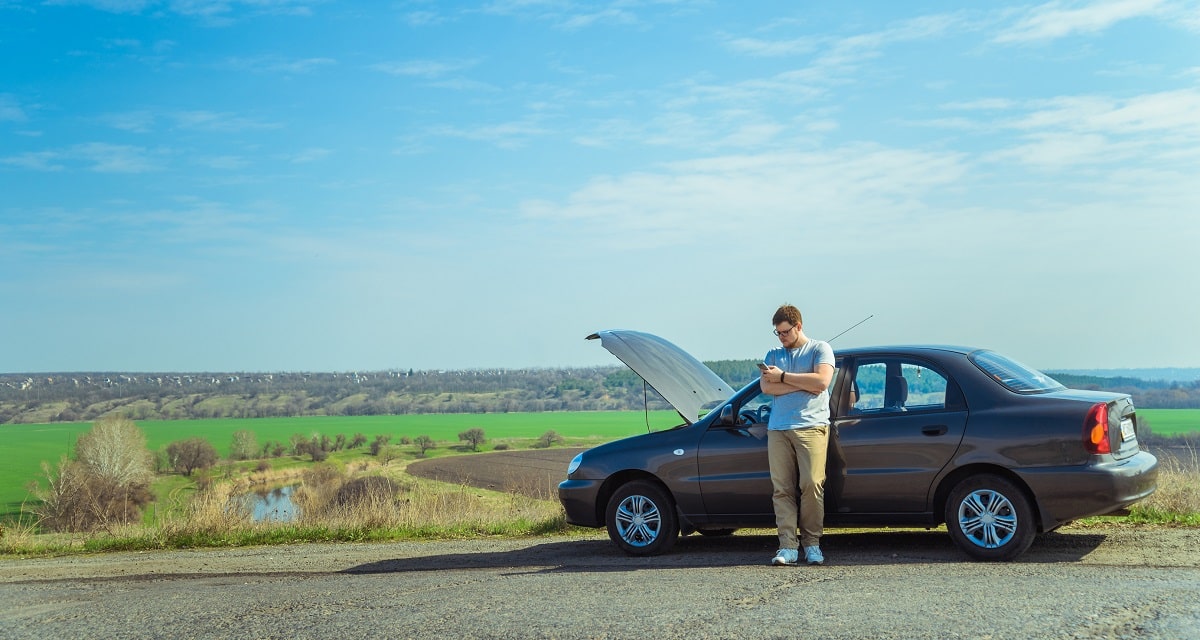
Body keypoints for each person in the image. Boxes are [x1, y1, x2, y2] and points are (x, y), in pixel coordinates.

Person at [760, 303, 835, 566]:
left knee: (812, 484)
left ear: (798, 326)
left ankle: (812, 544)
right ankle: (787, 547)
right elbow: (766, 388)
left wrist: (783, 378)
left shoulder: (819, 349)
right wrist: (801, 382)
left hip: (812, 427)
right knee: (782, 489)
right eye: (778, 333)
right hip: (778, 429)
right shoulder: (772, 353)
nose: (781, 338)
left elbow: (822, 383)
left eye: (785, 332)